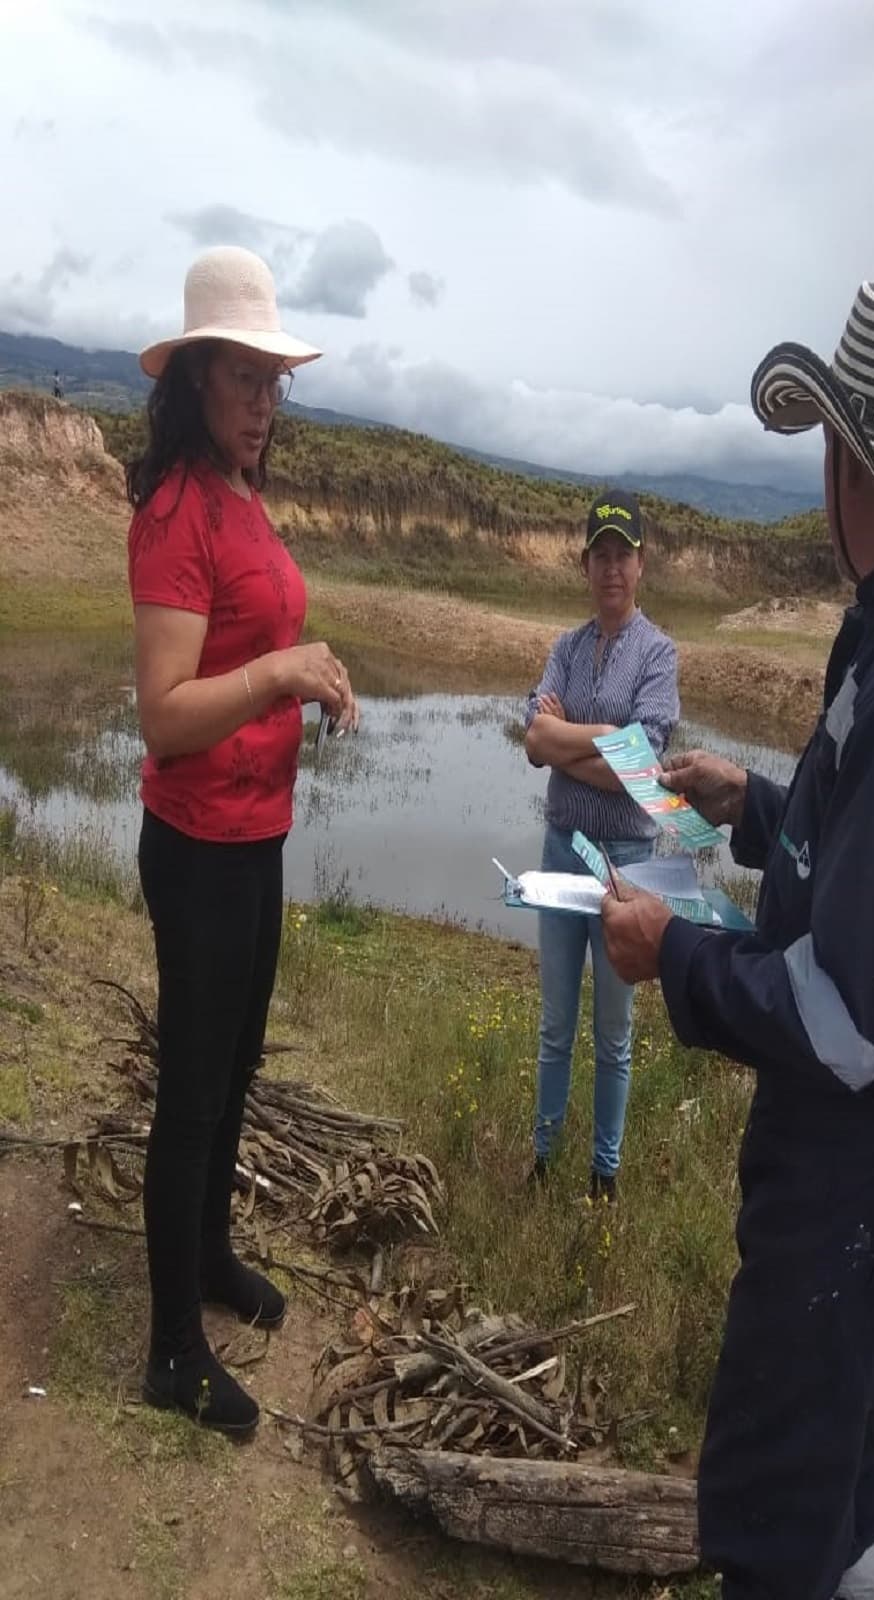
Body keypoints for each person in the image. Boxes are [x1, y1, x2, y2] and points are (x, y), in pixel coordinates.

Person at [602, 277, 874, 1600]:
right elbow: (863, 879)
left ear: (851, 459)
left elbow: (847, 1017)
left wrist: (672, 952)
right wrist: (758, 807)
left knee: (780, 1530)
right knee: (849, 1502)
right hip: (864, 1218)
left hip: (844, 1209)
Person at [127, 245, 359, 1437]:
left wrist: (303, 671)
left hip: (255, 836)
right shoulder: (175, 509)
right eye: (247, 379)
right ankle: (170, 1350)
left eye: (276, 382)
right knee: (192, 1088)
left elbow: (257, 643)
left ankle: (210, 1255)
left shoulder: (241, 492)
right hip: (200, 845)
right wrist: (277, 671)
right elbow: (165, 718)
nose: (268, 403)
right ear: (197, 380)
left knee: (236, 1071)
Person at [523, 490, 679, 1201]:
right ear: (585, 564)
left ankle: (604, 1174)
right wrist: (605, 748)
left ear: (641, 565)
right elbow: (533, 738)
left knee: (614, 1033)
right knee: (557, 1020)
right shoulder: (565, 647)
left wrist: (569, 743)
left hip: (628, 867)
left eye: (624, 554)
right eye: (600, 555)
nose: (611, 568)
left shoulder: (659, 654)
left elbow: (645, 761)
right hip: (562, 852)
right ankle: (544, 1157)